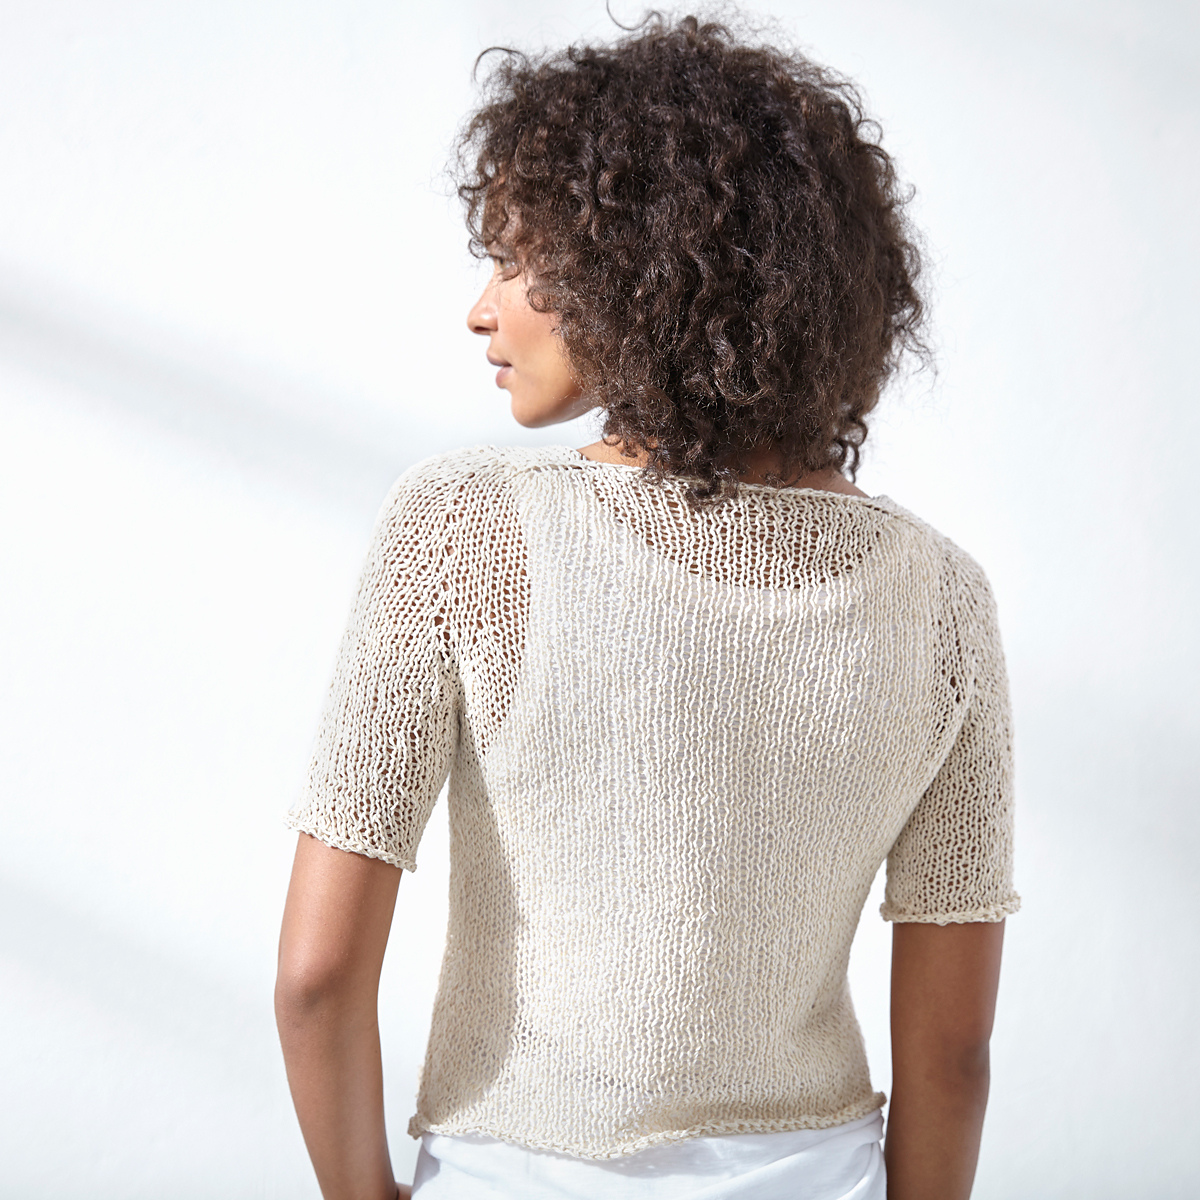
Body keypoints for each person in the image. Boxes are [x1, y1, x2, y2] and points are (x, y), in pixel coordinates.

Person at [274, 13, 1019, 1200]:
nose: (482, 309)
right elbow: (955, 1053)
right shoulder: (943, 600)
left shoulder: (467, 527)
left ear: (641, 269)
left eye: (521, 262)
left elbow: (316, 978)